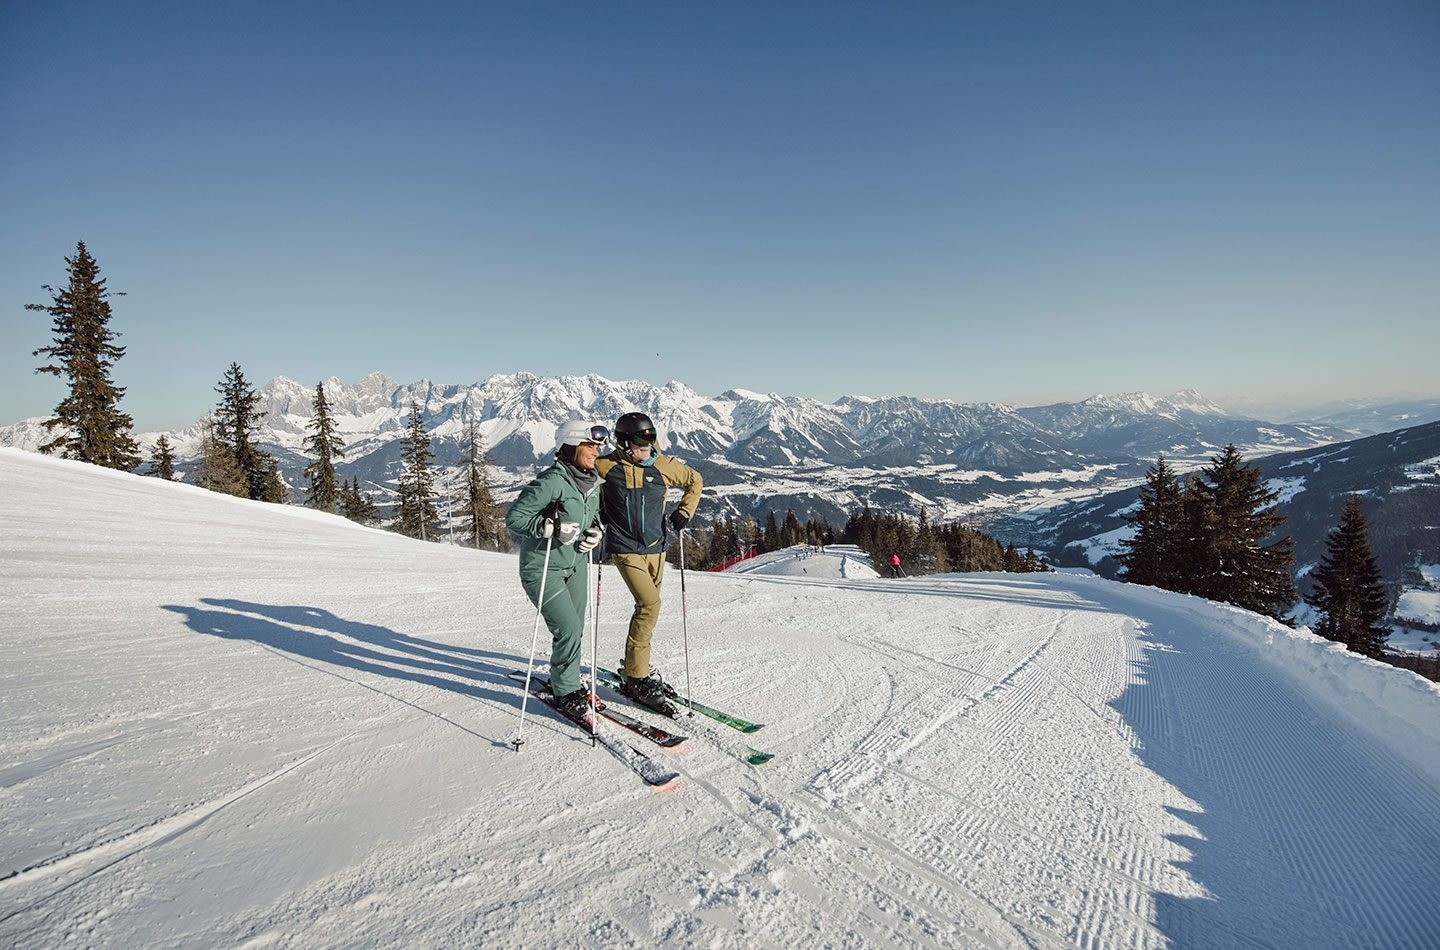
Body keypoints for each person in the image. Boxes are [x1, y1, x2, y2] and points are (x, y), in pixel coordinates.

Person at [595, 411, 703, 713]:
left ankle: (636, 663)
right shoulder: (607, 466)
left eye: (651, 438)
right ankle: (636, 677)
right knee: (649, 605)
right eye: (642, 440)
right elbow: (577, 477)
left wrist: (685, 511)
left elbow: (695, 481)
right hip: (624, 548)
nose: (648, 445)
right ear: (624, 443)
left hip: (657, 548)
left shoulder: (663, 465)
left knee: (647, 610)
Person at [505, 420, 610, 722]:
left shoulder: (592, 483)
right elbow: (515, 518)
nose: (596, 451)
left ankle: (567, 680)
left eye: (597, 446)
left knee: (576, 627)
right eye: (590, 445)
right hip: (542, 568)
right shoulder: (551, 481)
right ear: (571, 447)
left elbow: (593, 518)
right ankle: (565, 692)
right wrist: (549, 527)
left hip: (575, 564)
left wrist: (596, 532)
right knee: (567, 628)